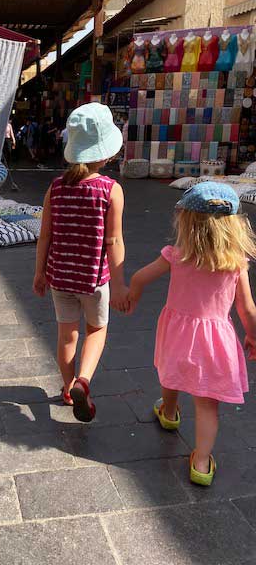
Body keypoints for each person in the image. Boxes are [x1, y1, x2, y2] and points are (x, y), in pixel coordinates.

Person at [128, 182, 256, 486]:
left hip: (178, 331)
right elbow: (247, 308)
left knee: (170, 373)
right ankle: (201, 462)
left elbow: (140, 276)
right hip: (215, 340)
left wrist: (131, 295)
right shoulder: (236, 264)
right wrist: (252, 335)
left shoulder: (176, 255)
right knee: (207, 403)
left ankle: (169, 412)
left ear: (186, 221)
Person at [32, 103, 128, 422]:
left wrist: (39, 272)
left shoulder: (55, 188)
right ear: (106, 152)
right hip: (93, 280)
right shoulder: (111, 190)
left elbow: (45, 236)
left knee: (66, 335)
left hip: (61, 278)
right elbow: (113, 242)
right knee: (96, 330)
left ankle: (67, 385)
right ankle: (84, 381)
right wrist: (119, 285)